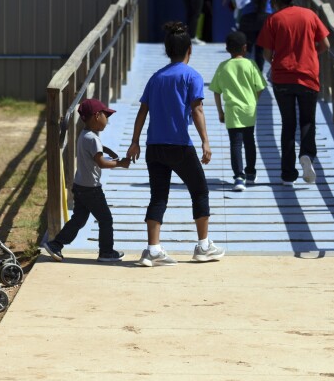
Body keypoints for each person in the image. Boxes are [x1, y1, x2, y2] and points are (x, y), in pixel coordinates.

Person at [126, 21, 225, 267]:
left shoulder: (156, 77)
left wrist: (134, 142)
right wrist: (205, 142)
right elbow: (198, 109)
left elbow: (142, 111)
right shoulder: (192, 76)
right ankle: (203, 246)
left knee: (158, 196)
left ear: (167, 50)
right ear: (189, 49)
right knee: (199, 190)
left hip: (154, 146)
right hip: (179, 145)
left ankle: (153, 249)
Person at [257, 0, 330, 186]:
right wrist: (310, 55)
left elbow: (267, 53)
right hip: (308, 76)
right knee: (307, 121)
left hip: (282, 78)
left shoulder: (273, 20)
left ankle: (288, 174)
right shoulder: (309, 15)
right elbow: (325, 44)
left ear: (275, 0)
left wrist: (275, 61)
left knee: (288, 124)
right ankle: (306, 155)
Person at [42, 99, 131, 262]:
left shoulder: (85, 135)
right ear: (97, 116)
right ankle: (106, 252)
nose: (107, 120)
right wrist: (121, 163)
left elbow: (94, 151)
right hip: (92, 189)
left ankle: (56, 244)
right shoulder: (93, 139)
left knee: (79, 219)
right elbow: (102, 163)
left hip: (80, 186)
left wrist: (105, 149)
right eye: (106, 115)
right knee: (105, 219)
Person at [210, 31, 266, 192]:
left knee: (235, 144)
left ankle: (238, 177)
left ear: (227, 49)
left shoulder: (223, 66)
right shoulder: (251, 64)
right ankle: (250, 172)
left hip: (232, 110)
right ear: (245, 48)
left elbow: (216, 91)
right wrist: (254, 100)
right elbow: (261, 86)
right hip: (249, 109)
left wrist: (220, 112)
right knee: (250, 142)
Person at [235, 0, 275, 69]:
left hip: (248, 18)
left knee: (246, 47)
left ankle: (245, 73)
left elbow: (238, 2)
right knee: (260, 48)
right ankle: (258, 74)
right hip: (266, 18)